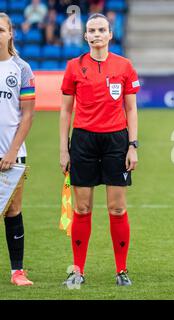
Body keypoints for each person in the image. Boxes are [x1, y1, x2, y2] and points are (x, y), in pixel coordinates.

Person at [59, 13, 140, 287]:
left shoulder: (125, 66)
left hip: (116, 141)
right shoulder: (73, 67)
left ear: (110, 34)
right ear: (85, 36)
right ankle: (78, 270)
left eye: (101, 30)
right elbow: (65, 111)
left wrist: (133, 145)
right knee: (82, 208)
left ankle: (121, 270)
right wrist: (64, 149)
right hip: (83, 141)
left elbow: (131, 108)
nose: (96, 34)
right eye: (91, 30)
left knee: (117, 208)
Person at [0, 12, 35, 286]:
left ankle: (17, 272)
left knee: (13, 211)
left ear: (10, 33)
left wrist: (11, 152)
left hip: (12, 155)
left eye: (1, 30)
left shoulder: (22, 68)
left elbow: (27, 115)